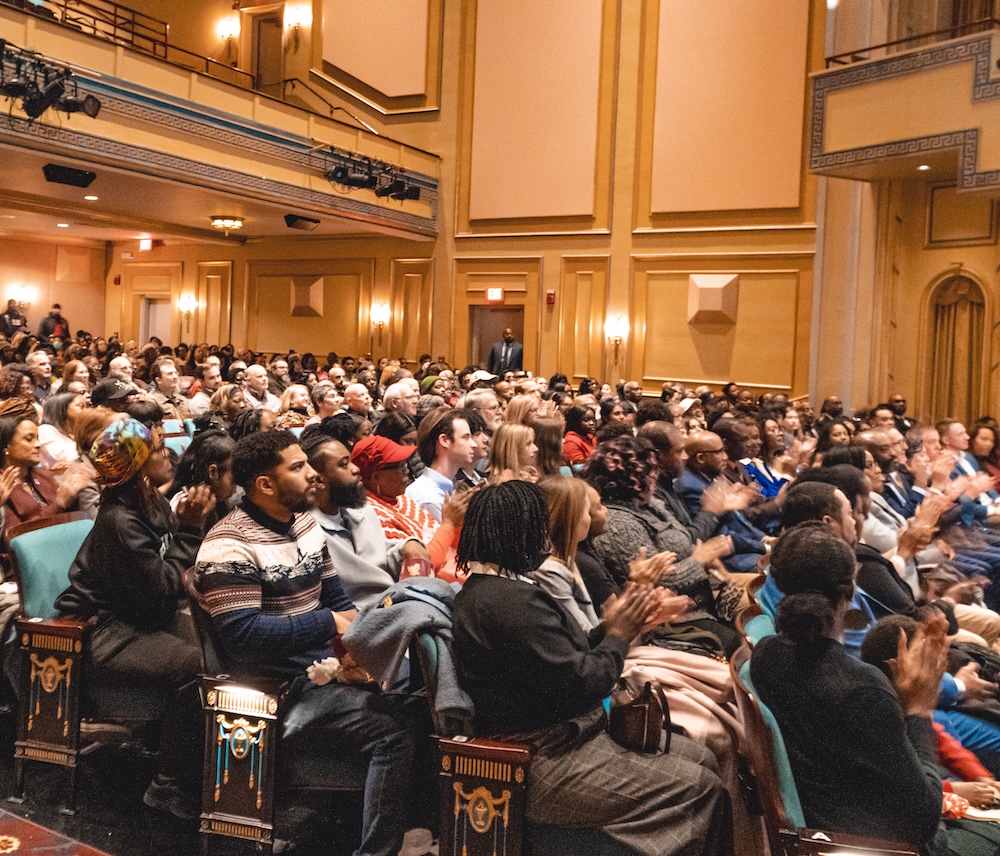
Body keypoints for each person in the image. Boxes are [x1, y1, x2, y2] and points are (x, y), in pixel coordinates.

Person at [452, 481, 732, 856]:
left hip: (559, 738)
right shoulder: (508, 603)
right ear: (518, 531)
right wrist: (619, 634)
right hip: (542, 759)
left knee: (704, 758)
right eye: (539, 527)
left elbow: (563, 655)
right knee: (701, 787)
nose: (546, 538)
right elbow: (585, 683)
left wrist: (616, 626)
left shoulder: (493, 591)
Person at [194, 429, 425, 856]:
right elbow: (244, 636)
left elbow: (336, 598)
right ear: (265, 484)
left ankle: (414, 827)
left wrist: (362, 647)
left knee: (422, 695)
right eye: (298, 468)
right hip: (274, 692)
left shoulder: (301, 524)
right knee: (392, 731)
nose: (312, 476)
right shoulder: (228, 544)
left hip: (322, 671)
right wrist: (328, 624)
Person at [748, 521, 959, 853]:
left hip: (822, 833)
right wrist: (919, 709)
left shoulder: (765, 656)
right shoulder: (861, 688)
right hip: (875, 846)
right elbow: (923, 821)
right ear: (850, 592)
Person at [55, 419, 214, 819]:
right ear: (140, 465)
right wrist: (192, 530)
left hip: (139, 615)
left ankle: (187, 757)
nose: (169, 455)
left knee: (220, 647)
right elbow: (164, 584)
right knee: (197, 666)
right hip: (104, 629)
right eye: (158, 451)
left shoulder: (147, 500)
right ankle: (167, 783)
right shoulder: (120, 521)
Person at [404, 409, 476, 521]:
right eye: (465, 437)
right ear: (444, 440)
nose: (474, 444)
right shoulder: (427, 497)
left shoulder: (453, 487)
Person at [38, 390, 88, 470]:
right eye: (81, 406)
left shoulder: (74, 435)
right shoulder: (45, 430)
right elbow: (61, 458)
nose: (86, 411)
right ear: (63, 409)